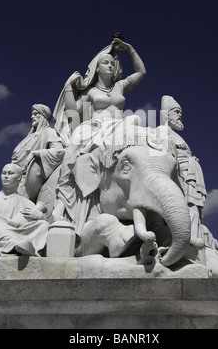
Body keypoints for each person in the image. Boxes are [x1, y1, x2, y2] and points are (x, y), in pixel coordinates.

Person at [52, 37, 147, 236]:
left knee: (138, 121)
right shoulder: (91, 92)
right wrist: (69, 88)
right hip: (95, 126)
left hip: (120, 125)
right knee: (73, 150)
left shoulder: (120, 86)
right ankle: (62, 201)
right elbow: (72, 112)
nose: (110, 66)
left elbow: (141, 72)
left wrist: (130, 49)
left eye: (113, 63)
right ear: (97, 67)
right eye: (106, 62)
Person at [158, 96, 207, 258]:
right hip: (177, 177)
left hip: (189, 177)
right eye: (177, 112)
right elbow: (160, 156)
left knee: (193, 209)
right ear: (167, 114)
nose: (179, 116)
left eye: (180, 113)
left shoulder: (175, 135)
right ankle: (185, 242)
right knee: (184, 208)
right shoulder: (161, 132)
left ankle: (195, 241)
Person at [11, 103, 65, 203]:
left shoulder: (49, 132)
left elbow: (59, 150)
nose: (32, 117)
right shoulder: (28, 137)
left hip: (26, 180)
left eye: (36, 114)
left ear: (43, 116)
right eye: (32, 114)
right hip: (13, 179)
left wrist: (36, 153)